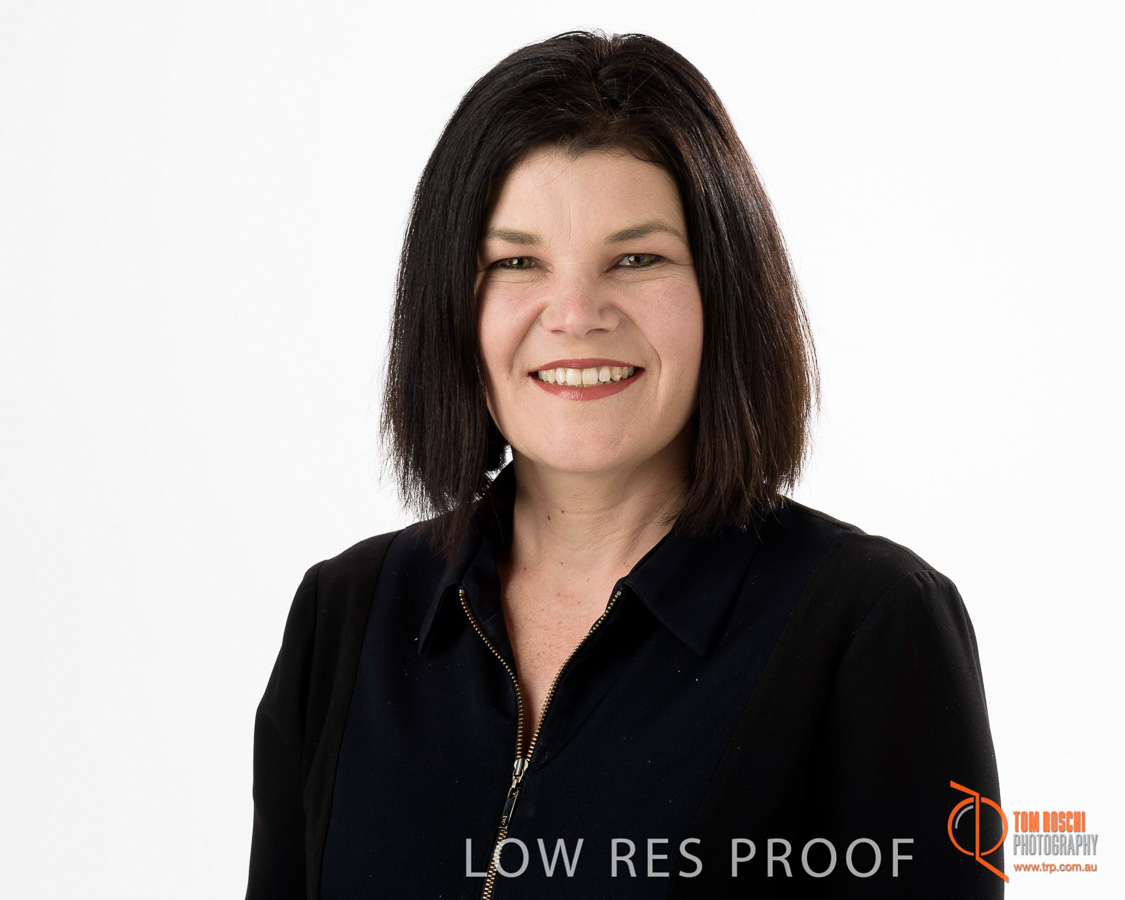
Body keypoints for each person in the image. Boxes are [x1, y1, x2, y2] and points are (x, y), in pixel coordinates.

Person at [245, 31, 1003, 900]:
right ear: (449, 303)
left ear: (725, 291)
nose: (575, 314)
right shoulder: (343, 616)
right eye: (516, 261)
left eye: (637, 259)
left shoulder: (870, 627)